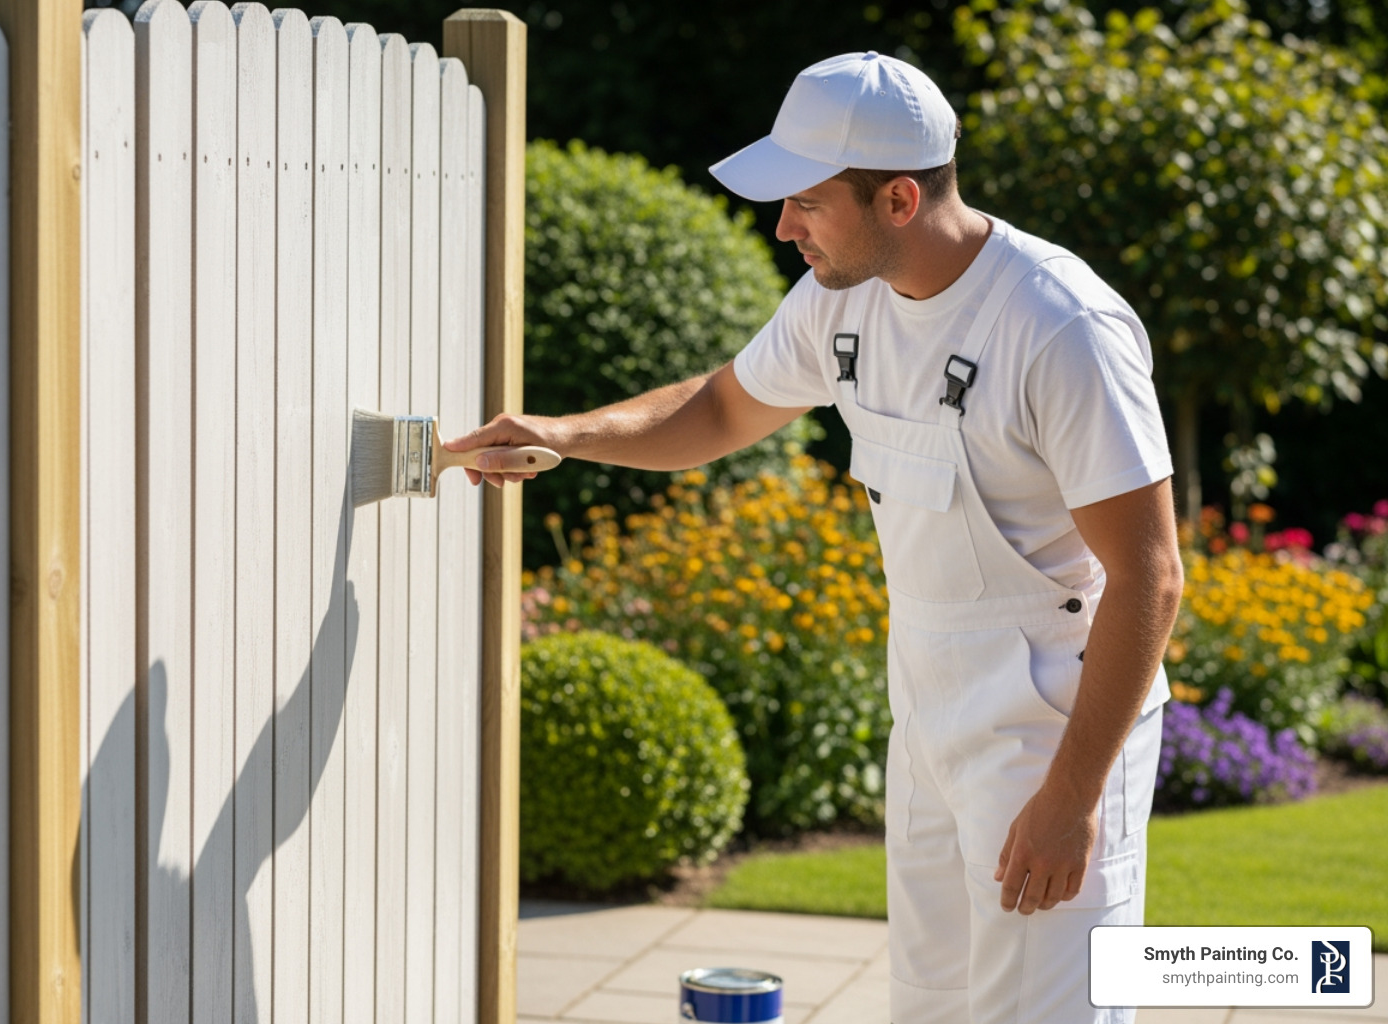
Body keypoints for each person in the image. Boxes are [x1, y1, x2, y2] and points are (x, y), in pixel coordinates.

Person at [447, 51, 1183, 1024]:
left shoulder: (1058, 326)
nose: (784, 225)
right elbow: (717, 409)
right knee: (929, 1005)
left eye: (805, 200)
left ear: (900, 201)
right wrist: (564, 434)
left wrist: (1072, 793)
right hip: (928, 717)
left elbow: (1149, 575)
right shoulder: (840, 301)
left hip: (1052, 729)